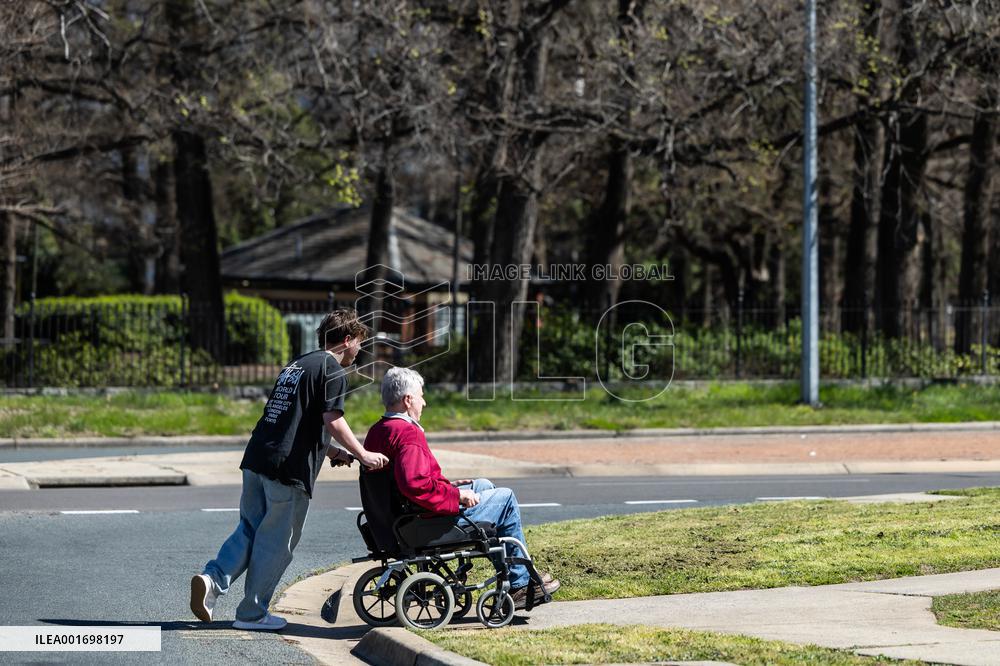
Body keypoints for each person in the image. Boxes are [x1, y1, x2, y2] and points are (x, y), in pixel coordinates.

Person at [189, 308, 389, 631]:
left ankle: (211, 581)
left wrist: (333, 451)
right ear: (347, 340)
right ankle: (252, 614)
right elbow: (332, 420)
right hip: (287, 471)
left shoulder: (298, 365)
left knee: (250, 530)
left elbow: (295, 422)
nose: (359, 351)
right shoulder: (334, 370)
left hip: (257, 459)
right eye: (358, 344)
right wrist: (363, 453)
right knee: (276, 541)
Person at [363, 367, 560, 609]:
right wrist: (456, 495)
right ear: (408, 400)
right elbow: (414, 484)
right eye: (421, 396)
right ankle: (520, 583)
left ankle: (514, 574)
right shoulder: (407, 433)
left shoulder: (377, 431)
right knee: (506, 499)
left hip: (401, 520)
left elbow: (405, 481)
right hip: (425, 523)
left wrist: (448, 486)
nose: (424, 402)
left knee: (482, 484)